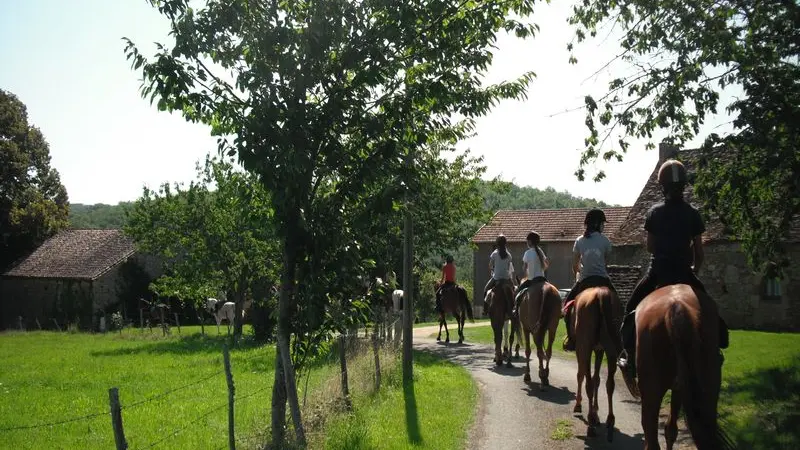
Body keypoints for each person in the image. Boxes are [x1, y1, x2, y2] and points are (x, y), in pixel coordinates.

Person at [617, 159, 729, 381]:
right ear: (684, 185)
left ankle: (629, 356)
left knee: (630, 311)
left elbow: (650, 246)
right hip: (684, 274)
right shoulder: (693, 213)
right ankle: (714, 352)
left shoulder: (654, 212)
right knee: (711, 311)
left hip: (657, 273)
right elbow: (699, 251)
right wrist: (693, 270)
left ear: (662, 186)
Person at [561, 208, 618, 351]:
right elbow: (606, 263)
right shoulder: (605, 241)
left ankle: (570, 339)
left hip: (585, 279)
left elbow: (575, 264)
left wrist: (579, 272)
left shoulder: (579, 241)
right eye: (603, 224)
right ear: (598, 224)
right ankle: (618, 339)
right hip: (603, 279)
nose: (604, 226)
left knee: (567, 306)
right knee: (619, 305)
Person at [511, 231, 550, 317]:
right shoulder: (540, 251)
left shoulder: (527, 253)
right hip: (542, 279)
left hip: (532, 280)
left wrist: (527, 274)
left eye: (527, 240)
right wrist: (541, 269)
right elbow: (546, 264)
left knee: (518, 292)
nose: (527, 242)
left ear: (530, 241)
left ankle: (515, 309)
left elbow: (524, 268)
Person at [483, 234, 516, 311]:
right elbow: (509, 268)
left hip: (496, 277)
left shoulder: (494, 253)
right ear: (505, 243)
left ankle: (485, 309)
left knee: (486, 289)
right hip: (506, 278)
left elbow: (490, 265)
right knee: (514, 289)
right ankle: (515, 307)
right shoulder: (509, 255)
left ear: (497, 243)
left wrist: (493, 269)